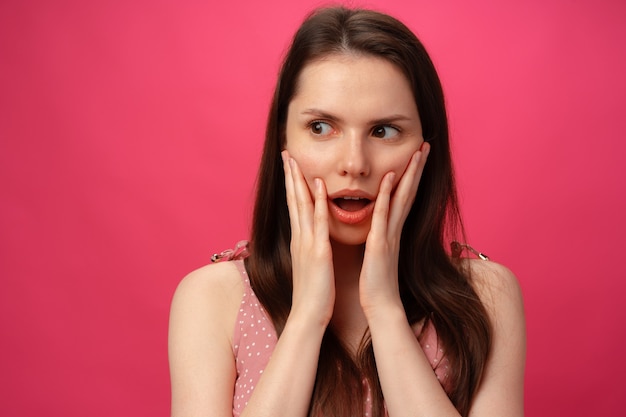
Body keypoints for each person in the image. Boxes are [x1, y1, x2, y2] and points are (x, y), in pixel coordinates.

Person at [168, 6, 525, 417]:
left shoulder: (485, 296)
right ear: (283, 139)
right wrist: (306, 316)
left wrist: (385, 309)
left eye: (384, 130)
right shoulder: (213, 298)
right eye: (321, 127)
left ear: (426, 148)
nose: (354, 163)